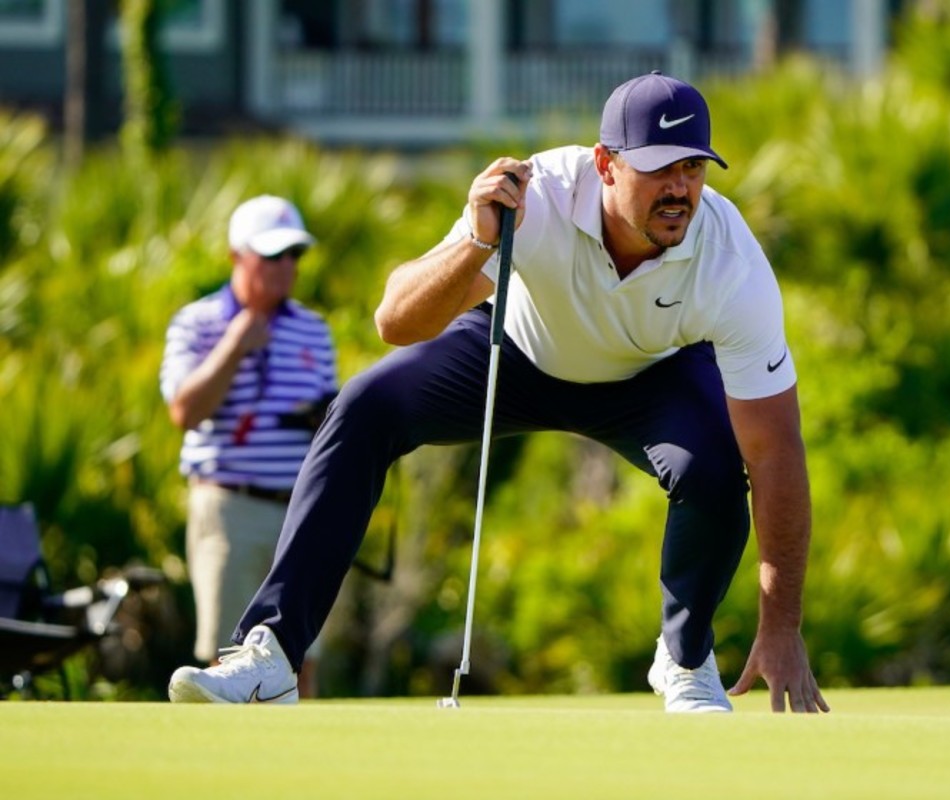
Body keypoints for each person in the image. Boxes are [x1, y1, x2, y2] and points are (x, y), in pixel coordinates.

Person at [168, 72, 829, 713]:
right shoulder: (531, 197)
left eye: (693, 167)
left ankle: (684, 661)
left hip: (648, 375)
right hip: (515, 352)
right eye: (660, 168)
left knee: (715, 471)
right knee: (365, 407)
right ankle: (273, 656)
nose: (680, 189)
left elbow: (776, 452)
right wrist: (478, 240)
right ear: (605, 164)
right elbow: (395, 322)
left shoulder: (728, 259)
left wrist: (782, 625)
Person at [160, 195, 337, 699]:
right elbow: (184, 411)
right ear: (237, 255)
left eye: (294, 256)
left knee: (301, 659)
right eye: (272, 255)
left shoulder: (313, 328)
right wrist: (235, 344)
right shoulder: (197, 322)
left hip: (298, 515)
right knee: (226, 658)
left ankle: (304, 771)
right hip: (230, 508)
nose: (286, 268)